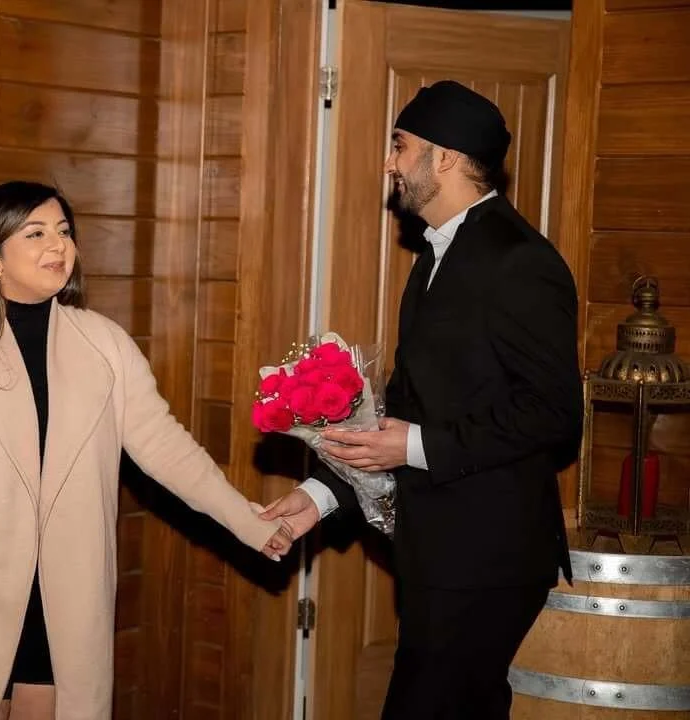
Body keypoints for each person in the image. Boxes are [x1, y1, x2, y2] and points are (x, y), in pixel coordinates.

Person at [0, 180, 292, 720]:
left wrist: (248, 521)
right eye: (36, 232)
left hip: (66, 592)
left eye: (65, 232)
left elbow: (165, 446)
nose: (58, 246)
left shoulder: (104, 343)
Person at [261, 81, 582, 719]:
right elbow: (406, 407)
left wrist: (412, 445)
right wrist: (320, 498)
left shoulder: (520, 260)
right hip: (439, 551)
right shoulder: (435, 256)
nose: (389, 163)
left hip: (488, 557)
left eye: (399, 146)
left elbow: (552, 412)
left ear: (445, 158)